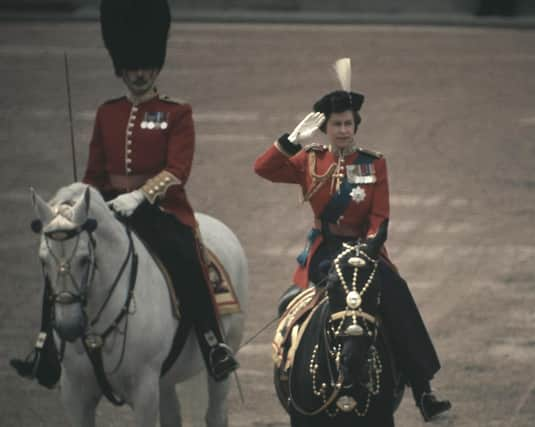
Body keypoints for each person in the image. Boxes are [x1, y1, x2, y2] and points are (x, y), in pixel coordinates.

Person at [10, 0, 237, 386]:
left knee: (185, 256)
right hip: (109, 211)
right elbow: (94, 173)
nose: (140, 74)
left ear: (157, 66)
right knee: (61, 259)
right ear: (121, 68)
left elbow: (177, 170)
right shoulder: (107, 112)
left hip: (161, 212)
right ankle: (45, 346)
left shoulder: (175, 112)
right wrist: (80, 202)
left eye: (146, 66)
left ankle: (212, 341)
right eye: (132, 67)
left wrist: (142, 195)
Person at [254, 58, 451, 422]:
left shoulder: (374, 164)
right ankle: (292, 378)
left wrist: (370, 248)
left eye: (348, 124)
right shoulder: (309, 161)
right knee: (292, 308)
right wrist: (289, 141)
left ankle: (423, 389)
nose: (343, 130)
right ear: (325, 128)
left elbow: (379, 218)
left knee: (398, 300)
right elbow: (263, 168)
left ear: (355, 125)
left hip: (365, 250)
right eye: (336, 124)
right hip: (325, 251)